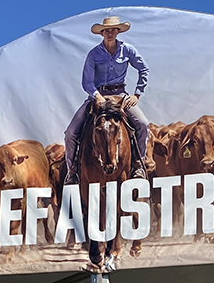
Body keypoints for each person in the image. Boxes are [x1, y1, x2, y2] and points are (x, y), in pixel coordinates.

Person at [63, 16, 151, 184]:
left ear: (118, 32)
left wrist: (136, 94)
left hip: (121, 97)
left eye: (113, 30)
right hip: (98, 96)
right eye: (106, 31)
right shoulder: (94, 54)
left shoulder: (128, 50)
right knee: (70, 133)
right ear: (102, 33)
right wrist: (98, 97)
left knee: (143, 124)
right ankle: (72, 171)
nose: (110, 33)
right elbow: (87, 82)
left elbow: (143, 69)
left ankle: (139, 165)